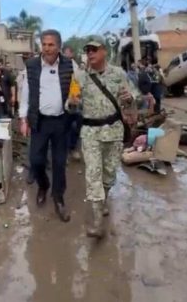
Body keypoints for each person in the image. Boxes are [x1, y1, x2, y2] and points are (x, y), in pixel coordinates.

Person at [70, 37, 137, 238]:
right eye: (88, 50)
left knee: (109, 175)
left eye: (94, 49)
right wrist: (73, 102)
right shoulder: (79, 77)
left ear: (104, 51)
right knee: (93, 175)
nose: (90, 53)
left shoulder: (118, 74)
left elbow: (133, 97)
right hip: (90, 133)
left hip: (114, 131)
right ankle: (98, 222)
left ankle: (103, 200)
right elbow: (71, 104)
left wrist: (130, 99)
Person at [19, 29, 74, 222]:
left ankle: (58, 197)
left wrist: (75, 101)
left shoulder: (69, 65)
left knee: (59, 162)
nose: (47, 48)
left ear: (59, 46)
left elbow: (76, 89)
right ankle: (43, 185)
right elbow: (25, 94)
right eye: (44, 44)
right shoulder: (32, 66)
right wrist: (23, 119)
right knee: (36, 160)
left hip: (61, 122)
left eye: (51, 45)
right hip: (40, 121)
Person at [63, 47, 83, 160]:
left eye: (68, 53)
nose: (66, 55)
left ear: (72, 54)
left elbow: (77, 83)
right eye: (65, 53)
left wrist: (75, 97)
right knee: (65, 128)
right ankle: (65, 151)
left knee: (76, 127)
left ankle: (73, 148)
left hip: (75, 102)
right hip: (63, 102)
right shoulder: (59, 66)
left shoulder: (76, 68)